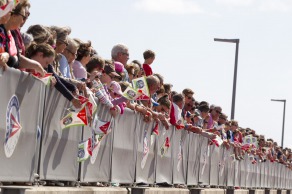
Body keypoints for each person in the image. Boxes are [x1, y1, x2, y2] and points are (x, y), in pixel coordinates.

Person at [26, 43, 81, 109]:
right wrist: (72, 99)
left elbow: (57, 79)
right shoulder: (25, 58)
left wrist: (72, 87)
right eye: (46, 62)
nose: (46, 66)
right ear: (40, 55)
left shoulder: (46, 66)